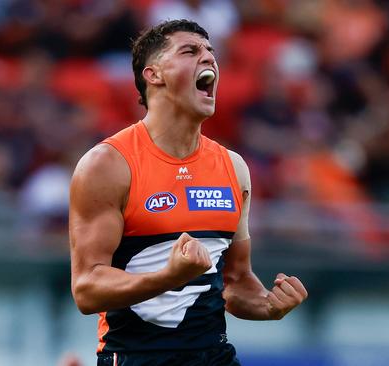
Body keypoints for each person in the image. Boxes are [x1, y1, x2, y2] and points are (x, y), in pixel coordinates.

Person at [69, 19, 308, 366]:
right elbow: (87, 289)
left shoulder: (233, 167)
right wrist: (168, 277)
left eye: (211, 51)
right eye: (191, 51)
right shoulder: (107, 164)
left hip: (215, 357)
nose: (209, 58)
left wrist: (269, 305)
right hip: (138, 357)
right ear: (154, 75)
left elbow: (237, 281)